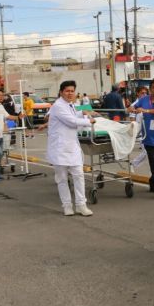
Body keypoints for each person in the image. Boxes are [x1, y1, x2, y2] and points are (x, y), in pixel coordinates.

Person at [46, 80, 96, 216]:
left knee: (78, 176)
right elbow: (71, 121)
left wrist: (85, 113)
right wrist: (89, 120)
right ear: (61, 92)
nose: (70, 93)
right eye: (67, 91)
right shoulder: (57, 106)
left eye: (72, 91)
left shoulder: (70, 105)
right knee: (62, 178)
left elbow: (75, 116)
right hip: (59, 148)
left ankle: (81, 205)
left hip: (72, 146)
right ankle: (67, 205)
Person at [129, 78, 154, 197]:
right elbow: (131, 108)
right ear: (150, 89)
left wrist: (146, 110)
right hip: (149, 138)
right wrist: (133, 109)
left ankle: (153, 182)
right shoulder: (143, 99)